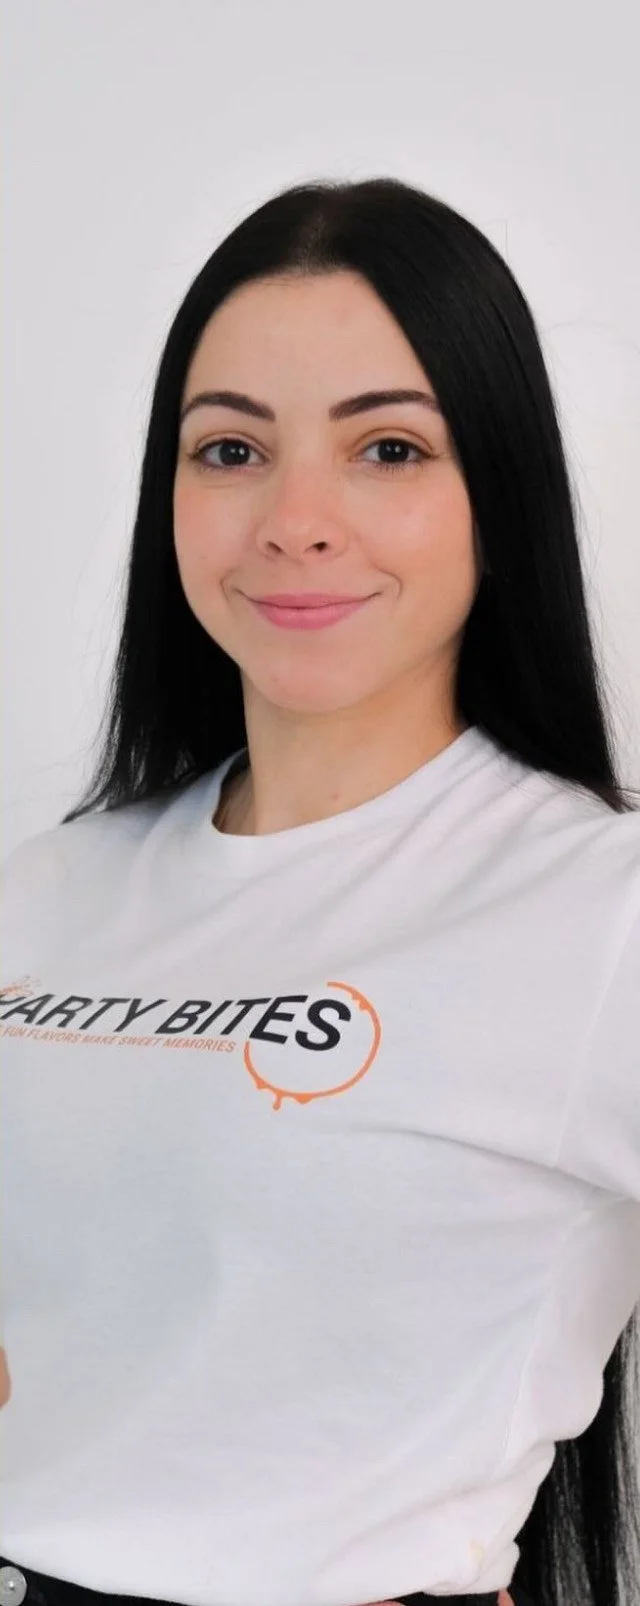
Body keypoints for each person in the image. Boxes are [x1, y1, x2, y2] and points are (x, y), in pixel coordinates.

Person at [1, 175, 639, 1606]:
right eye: (231, 448)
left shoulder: (600, 910)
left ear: (504, 492)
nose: (295, 519)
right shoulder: (56, 883)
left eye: (389, 448)